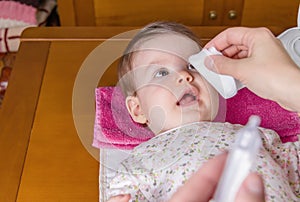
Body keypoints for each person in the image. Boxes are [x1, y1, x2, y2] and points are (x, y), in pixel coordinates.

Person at [107, 22, 300, 201]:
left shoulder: (253, 133)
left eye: (193, 66)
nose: (185, 76)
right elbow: (123, 193)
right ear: (138, 109)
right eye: (161, 73)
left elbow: (293, 165)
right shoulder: (144, 157)